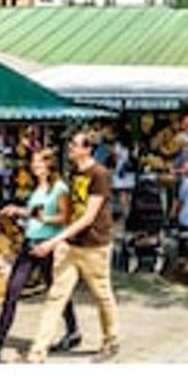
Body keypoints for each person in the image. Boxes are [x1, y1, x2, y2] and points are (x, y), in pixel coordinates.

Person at [0, 148, 79, 363]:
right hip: (30, 246)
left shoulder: (60, 188)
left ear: (49, 165)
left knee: (57, 293)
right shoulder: (37, 188)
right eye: (33, 162)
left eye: (38, 162)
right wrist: (20, 213)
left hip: (49, 247)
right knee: (12, 293)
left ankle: (73, 330)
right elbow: (33, 214)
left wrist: (37, 216)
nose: (33, 166)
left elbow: (65, 218)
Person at [25, 130, 119, 363]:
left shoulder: (100, 175)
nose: (70, 148)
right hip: (71, 245)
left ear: (87, 149)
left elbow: (88, 217)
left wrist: (52, 241)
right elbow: (70, 211)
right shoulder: (75, 172)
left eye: (74, 145)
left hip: (94, 245)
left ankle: (111, 340)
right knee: (56, 296)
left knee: (102, 295)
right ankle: (38, 352)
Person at [111, 137, 136, 219]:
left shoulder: (118, 145)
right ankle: (130, 213)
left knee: (122, 193)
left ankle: (126, 214)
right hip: (130, 171)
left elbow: (115, 157)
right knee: (129, 194)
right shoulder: (132, 144)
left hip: (120, 171)